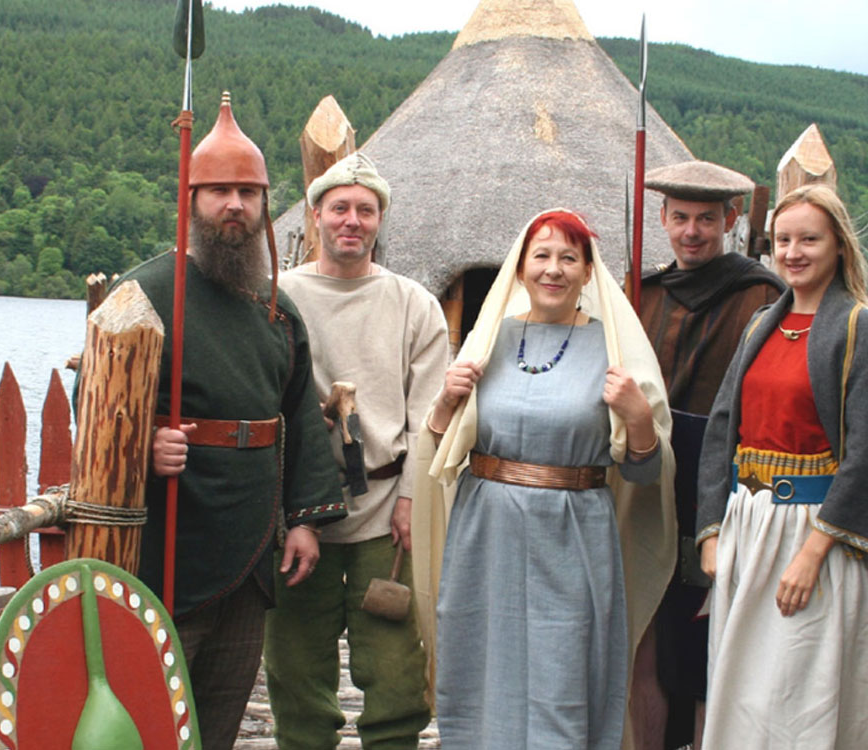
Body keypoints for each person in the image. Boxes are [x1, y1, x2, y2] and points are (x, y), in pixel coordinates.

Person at [123, 92, 345, 750]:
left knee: (219, 714)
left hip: (251, 547)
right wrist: (144, 444)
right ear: (190, 199)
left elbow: (301, 413)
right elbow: (102, 400)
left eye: (247, 193)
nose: (234, 206)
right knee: (151, 708)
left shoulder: (274, 309)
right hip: (170, 543)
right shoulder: (146, 293)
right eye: (218, 190)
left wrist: (304, 518)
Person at [413, 209, 677, 749]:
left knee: (563, 670)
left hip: (573, 535)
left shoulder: (616, 352)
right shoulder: (488, 343)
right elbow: (442, 446)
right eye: (542, 256)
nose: (553, 269)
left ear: (586, 272)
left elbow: (644, 472)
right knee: (482, 664)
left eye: (567, 258)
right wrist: (446, 400)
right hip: (486, 534)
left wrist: (640, 419)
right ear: (520, 268)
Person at [696, 184, 868, 749]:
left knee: (803, 693)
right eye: (783, 240)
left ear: (839, 246)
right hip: (748, 528)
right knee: (745, 688)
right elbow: (721, 430)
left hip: (819, 540)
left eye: (810, 239)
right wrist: (713, 533)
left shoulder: (862, 330)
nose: (794, 251)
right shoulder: (762, 324)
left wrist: (812, 553)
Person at [264, 152, 446, 750]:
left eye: (365, 211)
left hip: (384, 512)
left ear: (378, 221)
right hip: (297, 514)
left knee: (394, 673)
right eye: (339, 208)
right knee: (296, 673)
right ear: (316, 215)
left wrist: (412, 497)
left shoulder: (413, 303)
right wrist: (289, 509)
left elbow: (429, 414)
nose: (352, 220)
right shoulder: (280, 299)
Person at [633, 160, 785, 750]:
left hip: (719, 492)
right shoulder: (642, 294)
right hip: (645, 485)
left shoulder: (761, 297)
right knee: (645, 638)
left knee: (700, 647)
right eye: (679, 218)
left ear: (729, 220)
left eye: (704, 219)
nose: (691, 231)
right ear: (663, 220)